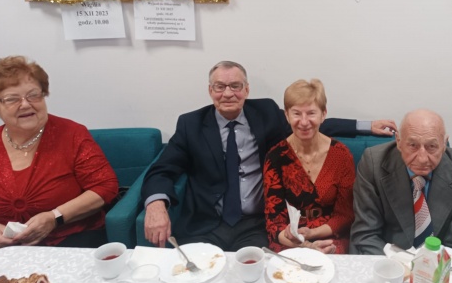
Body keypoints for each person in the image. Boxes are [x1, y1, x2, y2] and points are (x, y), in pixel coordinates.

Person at [142, 61, 396, 250]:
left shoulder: (265, 113)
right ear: (210, 90)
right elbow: (163, 168)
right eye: (220, 86)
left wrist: (365, 125)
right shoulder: (191, 125)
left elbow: (308, 123)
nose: (228, 93)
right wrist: (155, 205)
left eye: (235, 86)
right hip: (206, 224)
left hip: (254, 225)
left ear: (246, 89)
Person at [0, 56, 118, 248]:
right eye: (12, 99)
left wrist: (55, 217)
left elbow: (105, 187)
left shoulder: (72, 134)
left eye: (33, 95)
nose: (25, 104)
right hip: (3, 249)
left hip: (71, 240)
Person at [350, 109, 452, 256]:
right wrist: (398, 267)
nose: (422, 159)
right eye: (413, 145)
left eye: (432, 146)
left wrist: (431, 267)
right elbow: (366, 235)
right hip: (387, 259)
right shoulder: (373, 164)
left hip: (438, 263)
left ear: (444, 144)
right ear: (399, 142)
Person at [263, 79, 355, 254]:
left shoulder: (341, 155)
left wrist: (313, 234)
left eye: (311, 113)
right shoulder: (275, 157)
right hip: (289, 240)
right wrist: (305, 246)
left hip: (330, 235)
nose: (304, 122)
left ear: (323, 114)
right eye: (297, 114)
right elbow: (274, 222)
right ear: (287, 115)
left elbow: (345, 215)